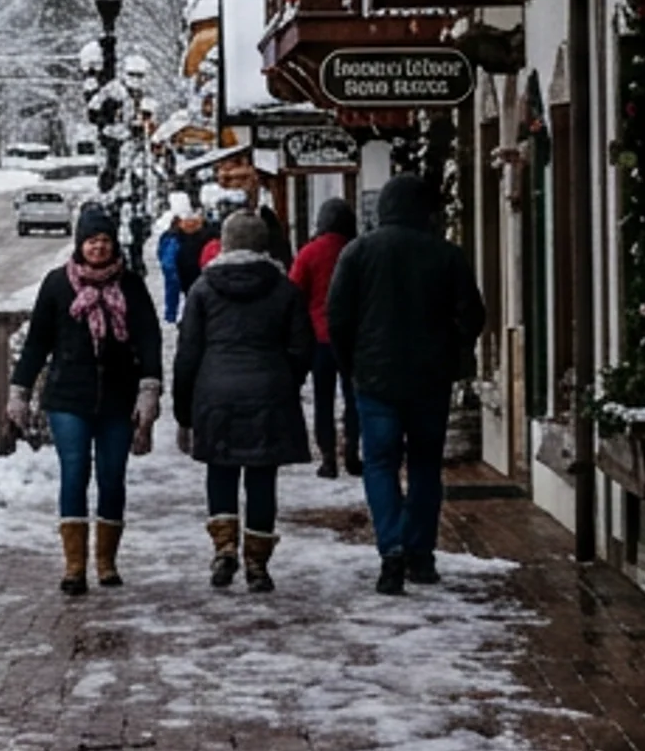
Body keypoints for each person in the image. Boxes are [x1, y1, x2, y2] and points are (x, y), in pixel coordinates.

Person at [325, 174, 487, 596]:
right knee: (424, 465)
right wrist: (453, 346)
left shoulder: (358, 252)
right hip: (430, 378)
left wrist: (351, 365)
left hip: (375, 378)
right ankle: (421, 553)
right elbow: (473, 314)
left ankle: (391, 548)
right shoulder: (446, 254)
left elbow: (337, 316)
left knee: (379, 462)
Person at [5, 200, 164, 595]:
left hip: (116, 398)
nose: (98, 248)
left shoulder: (130, 286)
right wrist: (19, 391)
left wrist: (149, 387)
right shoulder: (58, 284)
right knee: (75, 473)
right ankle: (74, 567)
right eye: (91, 240)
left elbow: (149, 339)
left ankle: (106, 562)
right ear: (79, 244)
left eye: (105, 240)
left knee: (112, 478)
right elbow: (37, 343)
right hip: (67, 398)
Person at [171, 209, 310, 592]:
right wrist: (284, 380)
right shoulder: (284, 289)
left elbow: (188, 354)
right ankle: (258, 563)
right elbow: (301, 348)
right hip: (270, 393)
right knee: (263, 478)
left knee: (221, 471)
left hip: (216, 394)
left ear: (226, 243)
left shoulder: (203, 288)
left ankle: (225, 548)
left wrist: (183, 410)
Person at [288, 197, 358, 479]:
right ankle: (352, 450)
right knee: (354, 397)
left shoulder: (309, 253)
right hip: (352, 338)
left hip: (319, 339)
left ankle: (328, 456)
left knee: (323, 398)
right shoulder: (354, 250)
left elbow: (294, 292)